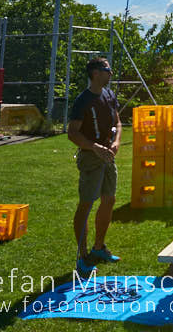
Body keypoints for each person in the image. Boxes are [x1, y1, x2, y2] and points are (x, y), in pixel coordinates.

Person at [67, 56, 122, 276]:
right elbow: (72, 132)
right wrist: (94, 147)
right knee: (87, 204)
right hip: (91, 158)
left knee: (109, 200)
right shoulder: (84, 100)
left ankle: (99, 247)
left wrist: (116, 142)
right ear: (96, 73)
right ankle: (83, 257)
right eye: (107, 69)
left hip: (109, 156)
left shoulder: (109, 95)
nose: (110, 73)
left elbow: (118, 122)